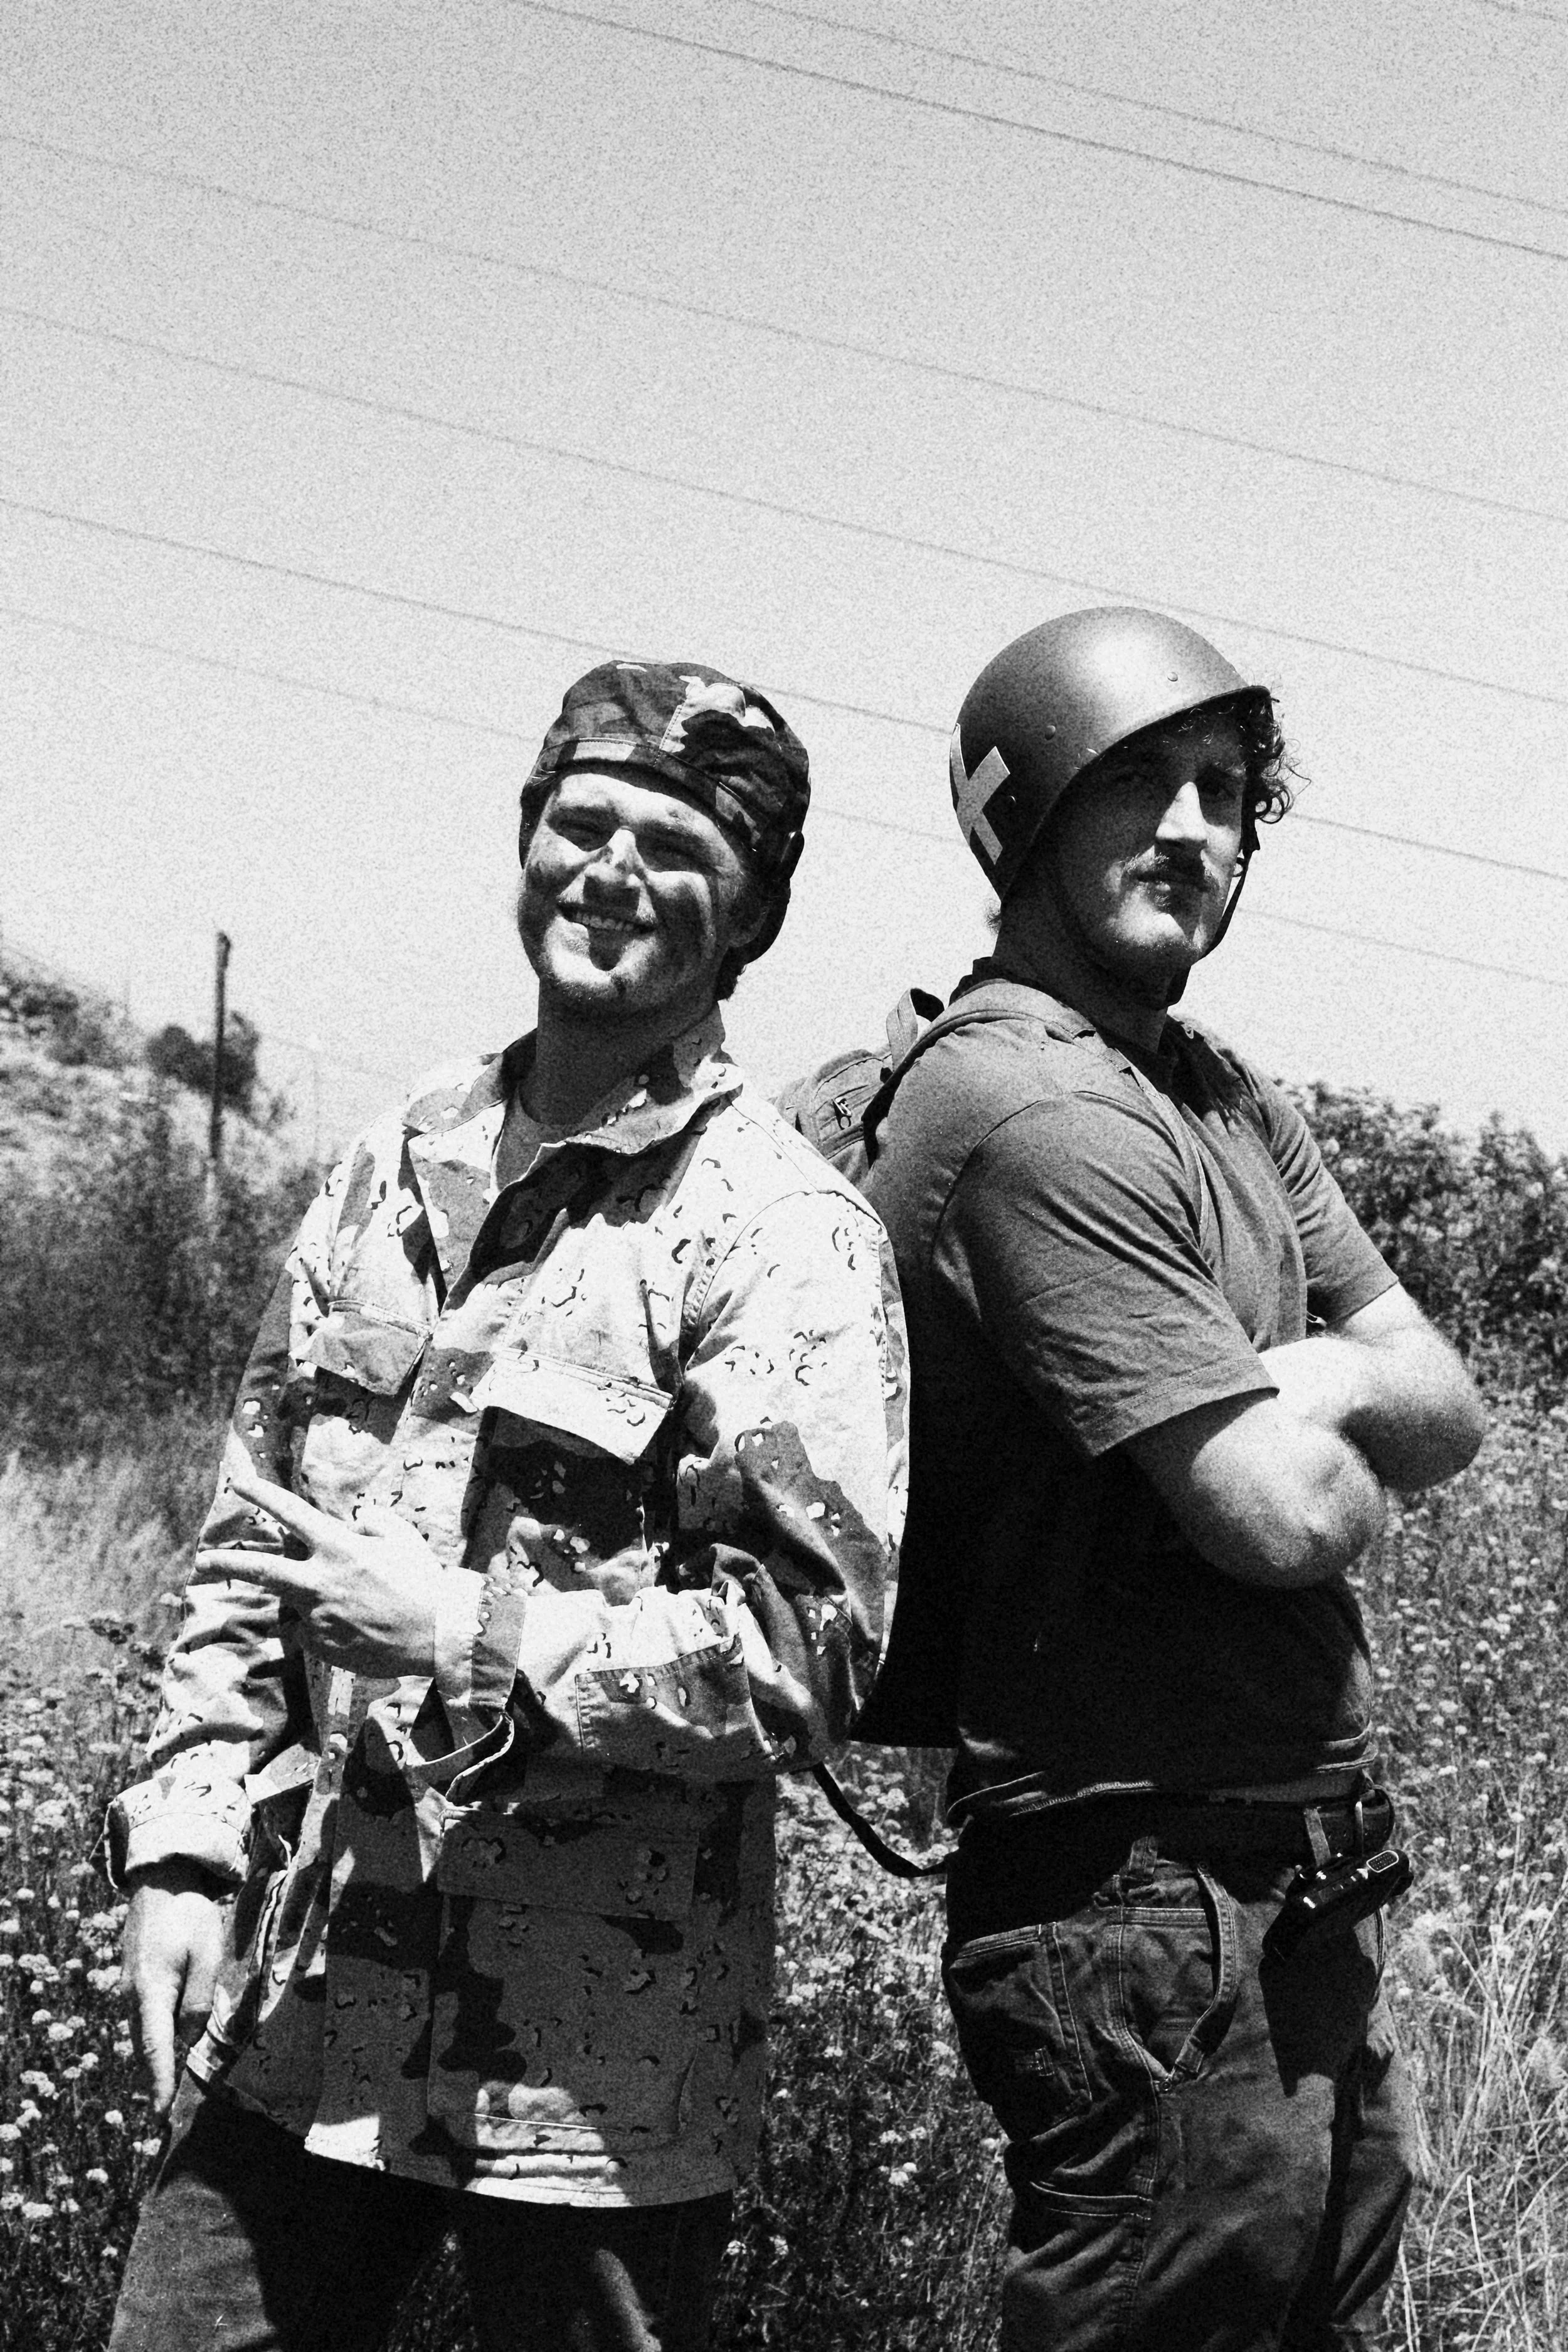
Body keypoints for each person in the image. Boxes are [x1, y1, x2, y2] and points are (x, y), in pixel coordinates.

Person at [103, 660, 908, 2352]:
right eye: (583, 822)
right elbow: (253, 1535)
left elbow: (807, 1655)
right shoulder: (389, 1167)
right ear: (527, 841)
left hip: (589, 2088)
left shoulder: (780, 1233)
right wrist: (184, 1841)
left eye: (675, 847)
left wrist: (463, 1632)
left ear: (751, 914)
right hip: (306, 2005)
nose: (612, 870)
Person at [862, 608, 1485, 2352]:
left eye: (1226, 790)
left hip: (1279, 1862)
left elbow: (1445, 1402)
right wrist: (1332, 1420)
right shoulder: (1030, 1112)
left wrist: (1313, 1381)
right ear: (1025, 814)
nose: (1197, 829)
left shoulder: (1211, 1090)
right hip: (1136, 1890)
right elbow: (1284, 1516)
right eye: (1140, 782)